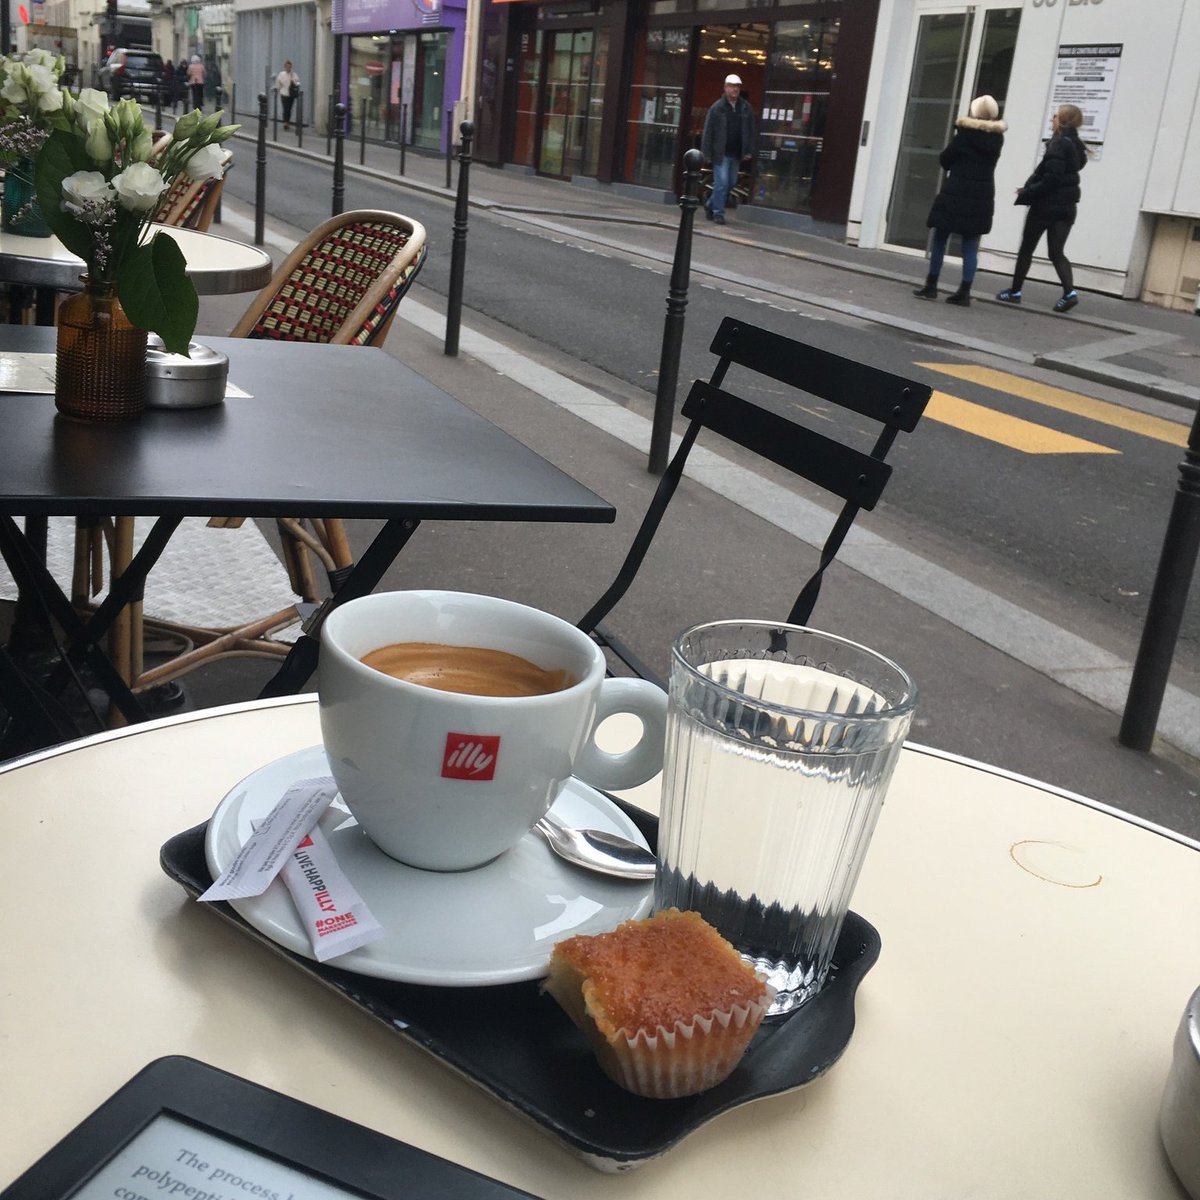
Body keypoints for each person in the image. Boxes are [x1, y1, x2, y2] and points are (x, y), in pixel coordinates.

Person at [912, 94, 1006, 308]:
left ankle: (931, 285)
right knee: (970, 244)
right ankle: (964, 291)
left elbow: (946, 159)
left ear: (975, 112)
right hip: (981, 194)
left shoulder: (964, 135)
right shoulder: (997, 138)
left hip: (956, 190)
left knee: (940, 238)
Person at [997, 103, 1088, 313]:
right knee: (1056, 252)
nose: (1052, 119)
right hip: (1068, 207)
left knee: (1027, 248)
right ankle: (1069, 293)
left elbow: (1052, 179)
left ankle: (1015, 292)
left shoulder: (1058, 144)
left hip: (1046, 206)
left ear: (1063, 120)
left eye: (1055, 116)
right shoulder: (1076, 145)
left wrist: (1028, 192)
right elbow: (1068, 171)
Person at [701, 73, 755, 226]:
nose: (735, 89)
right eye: (732, 86)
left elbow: (750, 130)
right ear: (725, 88)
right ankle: (718, 213)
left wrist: (748, 150)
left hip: (736, 153)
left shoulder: (745, 108)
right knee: (722, 183)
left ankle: (710, 203)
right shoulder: (717, 108)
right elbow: (708, 131)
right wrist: (707, 153)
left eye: (737, 86)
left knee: (730, 183)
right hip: (721, 153)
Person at [275, 60, 300, 129]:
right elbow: (278, 82)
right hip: (284, 93)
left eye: (290, 67)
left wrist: (293, 80)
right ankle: (285, 123)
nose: (289, 68)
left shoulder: (293, 74)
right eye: (287, 67)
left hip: (291, 94)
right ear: (285, 67)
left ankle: (287, 122)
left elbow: (297, 83)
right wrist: (278, 89)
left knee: (289, 108)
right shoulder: (281, 74)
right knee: (285, 108)